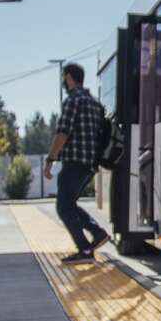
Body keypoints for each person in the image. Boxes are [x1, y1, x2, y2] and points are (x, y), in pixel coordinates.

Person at [45, 63, 109, 264]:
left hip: (74, 162)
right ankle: (97, 233)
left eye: (64, 78)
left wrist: (50, 160)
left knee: (64, 207)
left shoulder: (73, 100)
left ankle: (85, 250)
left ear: (70, 77)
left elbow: (63, 132)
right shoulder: (94, 102)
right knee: (69, 204)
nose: (64, 82)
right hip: (90, 164)